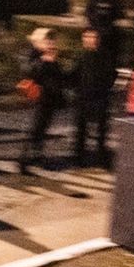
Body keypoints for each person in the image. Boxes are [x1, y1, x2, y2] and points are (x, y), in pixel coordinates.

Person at [20, 31, 69, 173]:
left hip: (50, 99)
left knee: (42, 129)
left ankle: (37, 156)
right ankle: (23, 162)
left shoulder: (53, 58)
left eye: (52, 42)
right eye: (48, 42)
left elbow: (60, 78)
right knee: (34, 129)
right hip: (40, 99)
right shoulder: (36, 56)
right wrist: (44, 61)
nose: (51, 44)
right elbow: (31, 72)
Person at [73, 29, 117, 167]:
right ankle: (79, 158)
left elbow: (112, 74)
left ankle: (101, 159)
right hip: (83, 98)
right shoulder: (80, 56)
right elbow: (74, 74)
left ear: (97, 39)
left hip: (99, 98)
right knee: (81, 129)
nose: (90, 40)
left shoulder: (105, 55)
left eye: (93, 37)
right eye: (87, 37)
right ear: (83, 39)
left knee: (101, 130)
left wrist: (103, 88)